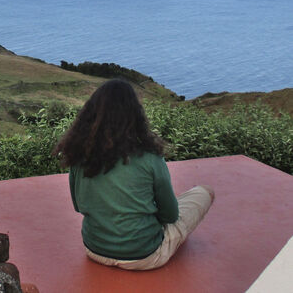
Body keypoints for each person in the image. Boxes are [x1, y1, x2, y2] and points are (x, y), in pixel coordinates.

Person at [53, 79, 214, 270]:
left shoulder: (79, 154)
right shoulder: (149, 156)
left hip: (95, 250)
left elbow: (78, 206)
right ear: (135, 115)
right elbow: (170, 215)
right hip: (144, 256)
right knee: (204, 193)